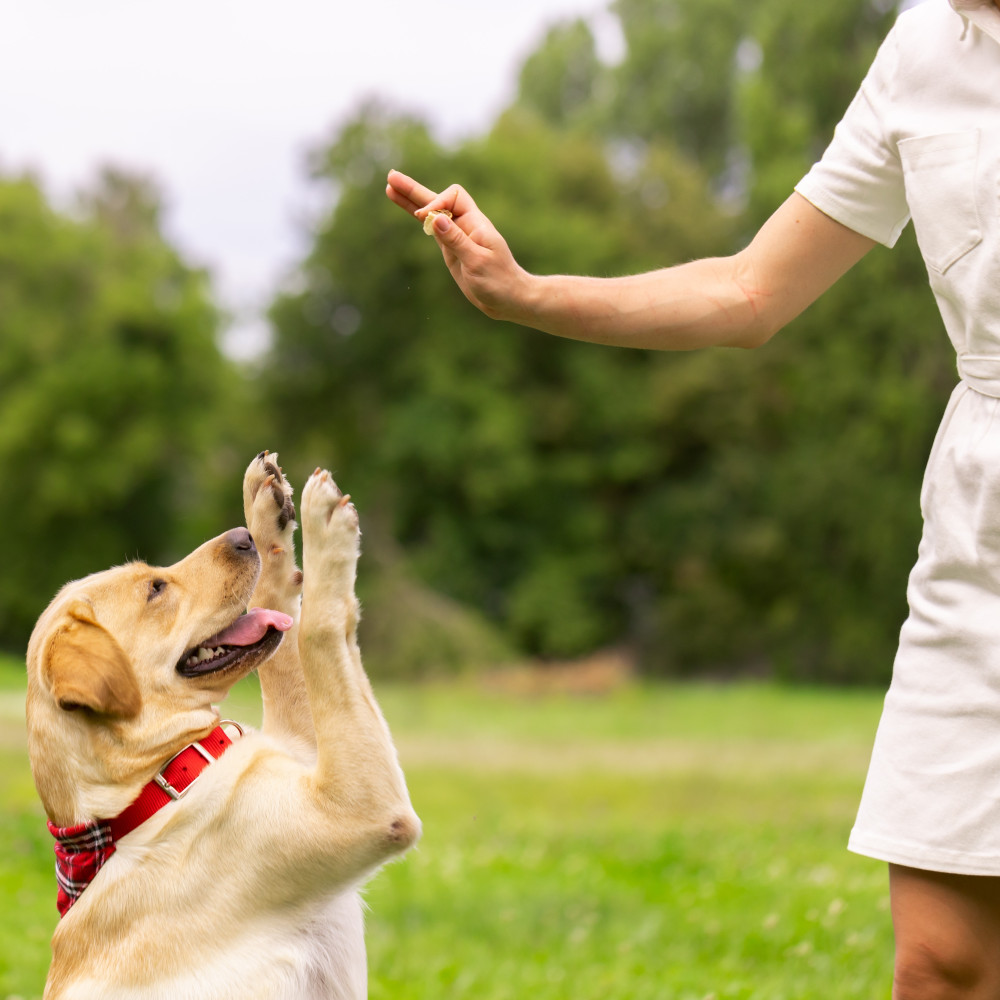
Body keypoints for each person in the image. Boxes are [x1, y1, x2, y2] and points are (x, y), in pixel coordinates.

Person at [387, 0, 1000, 996]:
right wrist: (526, 290)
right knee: (939, 961)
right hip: (977, 532)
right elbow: (752, 291)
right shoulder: (924, 46)